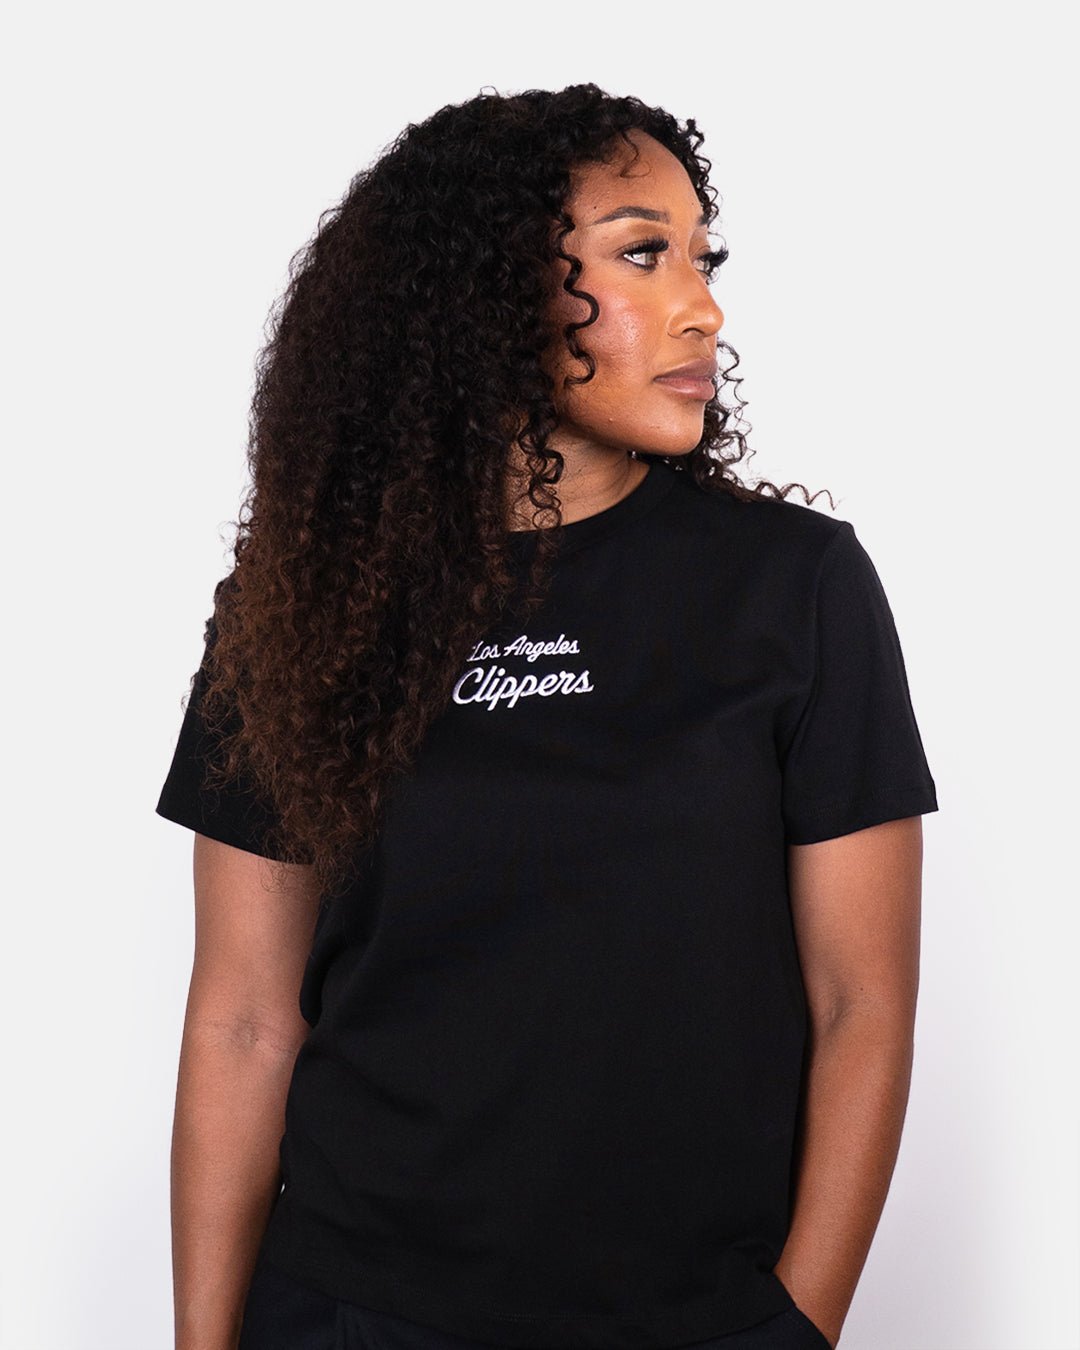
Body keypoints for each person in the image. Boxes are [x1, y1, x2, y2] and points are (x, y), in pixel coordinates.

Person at [156, 84, 938, 1350]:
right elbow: (243, 1020)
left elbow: (862, 1003)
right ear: (488, 295)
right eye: (641, 254)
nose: (702, 306)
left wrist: (795, 1329)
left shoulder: (794, 588)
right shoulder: (306, 605)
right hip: (353, 1312)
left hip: (688, 1317)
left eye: (701, 258)